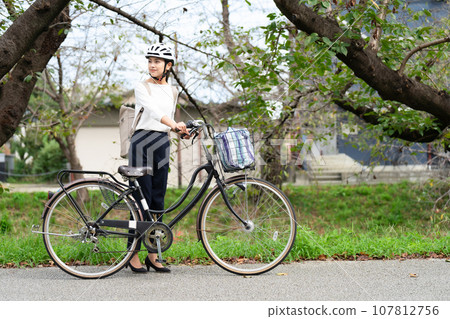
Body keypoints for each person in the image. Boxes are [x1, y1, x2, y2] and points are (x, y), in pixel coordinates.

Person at [127, 43, 189, 273]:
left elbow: (168, 121)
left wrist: (181, 130)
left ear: (168, 66)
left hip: (162, 143)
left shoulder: (173, 91)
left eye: (157, 62)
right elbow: (152, 111)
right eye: (150, 61)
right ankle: (132, 254)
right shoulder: (142, 87)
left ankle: (153, 254)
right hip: (142, 142)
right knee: (139, 201)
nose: (152, 65)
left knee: (157, 201)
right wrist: (173, 124)